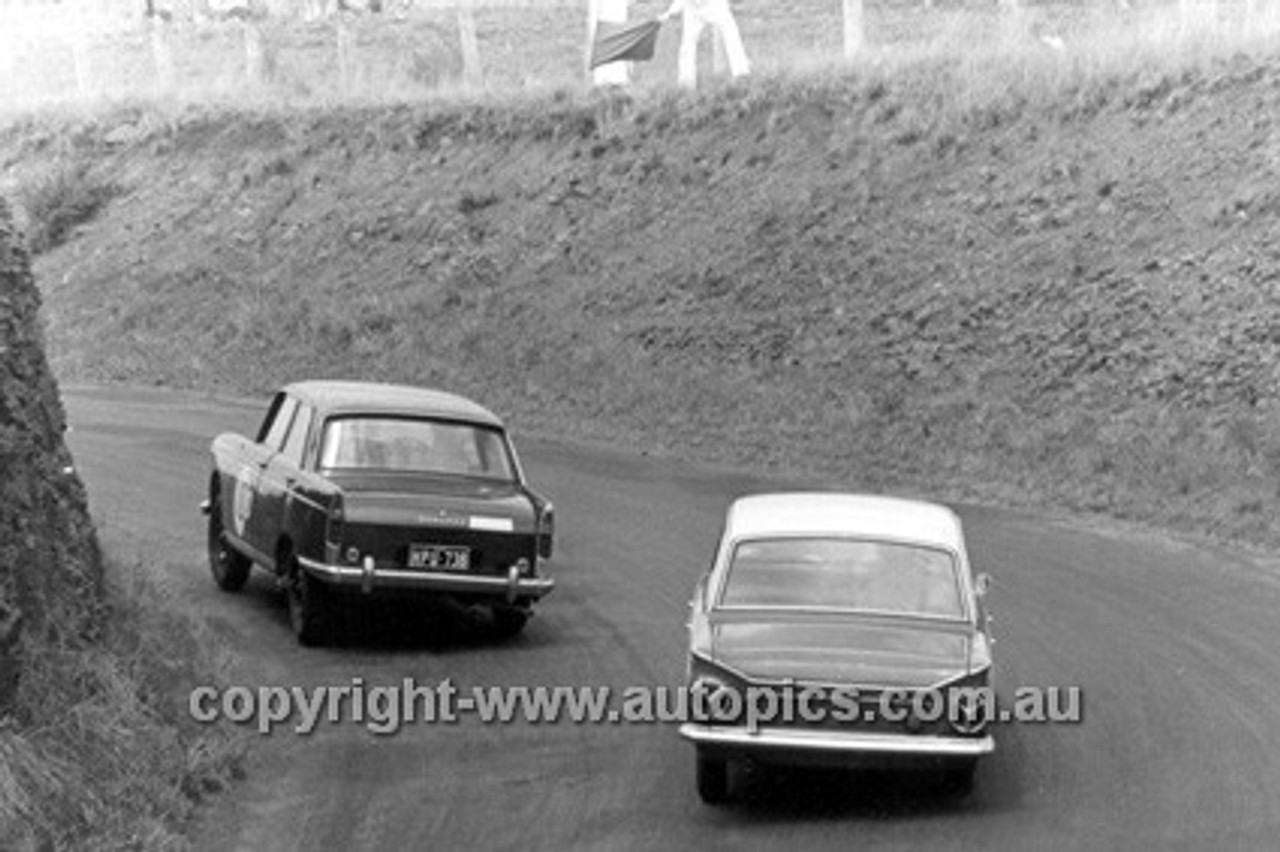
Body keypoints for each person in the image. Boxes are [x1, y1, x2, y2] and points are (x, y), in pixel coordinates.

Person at [659, 0, 749, 89]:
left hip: (714, 4)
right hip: (693, 9)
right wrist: (669, 13)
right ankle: (686, 84)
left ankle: (741, 74)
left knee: (730, 32)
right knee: (687, 44)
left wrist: (670, 12)